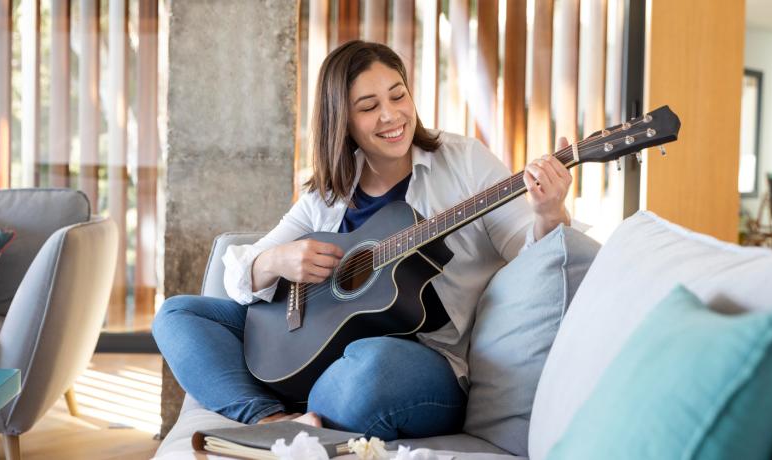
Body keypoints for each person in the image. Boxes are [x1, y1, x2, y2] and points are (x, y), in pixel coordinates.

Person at [152, 40, 572, 441]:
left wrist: (548, 212)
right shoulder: (328, 192)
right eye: (369, 107)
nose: (391, 116)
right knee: (178, 314)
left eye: (398, 96)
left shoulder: (463, 161)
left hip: (419, 366)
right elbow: (240, 271)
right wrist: (276, 261)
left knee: (371, 366)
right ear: (343, 121)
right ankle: (275, 418)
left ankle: (297, 409)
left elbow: (532, 256)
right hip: (318, 358)